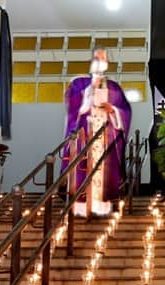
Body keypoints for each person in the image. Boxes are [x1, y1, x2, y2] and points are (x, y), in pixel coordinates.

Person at [64, 47, 132, 217]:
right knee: (82, 166)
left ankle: (101, 206)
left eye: (103, 58)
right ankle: (79, 207)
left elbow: (126, 110)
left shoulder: (114, 87)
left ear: (107, 63)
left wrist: (113, 110)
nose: (100, 61)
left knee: (104, 170)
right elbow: (73, 107)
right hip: (85, 133)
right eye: (97, 58)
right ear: (92, 61)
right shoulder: (79, 83)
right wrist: (90, 92)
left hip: (106, 137)